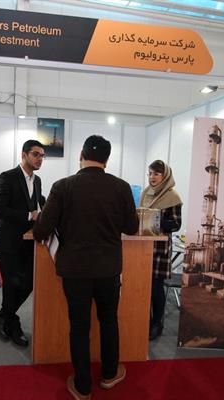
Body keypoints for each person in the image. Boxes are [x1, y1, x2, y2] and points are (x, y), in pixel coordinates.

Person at [33, 135, 138, 400]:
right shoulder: (121, 187)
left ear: (81, 155)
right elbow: (131, 227)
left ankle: (82, 386)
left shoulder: (62, 186)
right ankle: (109, 374)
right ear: (107, 160)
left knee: (79, 326)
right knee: (109, 320)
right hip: (108, 268)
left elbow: (42, 230)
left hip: (74, 269)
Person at [0, 140, 46, 347]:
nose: (40, 159)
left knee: (28, 283)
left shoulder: (37, 180)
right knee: (12, 286)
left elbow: (38, 205)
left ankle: (3, 316)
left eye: (42, 156)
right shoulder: (8, 177)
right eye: (36, 154)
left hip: (29, 242)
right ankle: (13, 324)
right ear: (24, 154)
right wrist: (29, 215)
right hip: (10, 242)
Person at [140, 159, 182, 340]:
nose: (152, 177)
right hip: (142, 247)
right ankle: (144, 320)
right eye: (150, 173)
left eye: (156, 174)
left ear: (164, 176)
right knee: (143, 286)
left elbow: (176, 224)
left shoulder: (173, 197)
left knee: (156, 287)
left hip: (159, 249)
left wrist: (154, 218)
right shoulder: (145, 193)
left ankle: (157, 323)